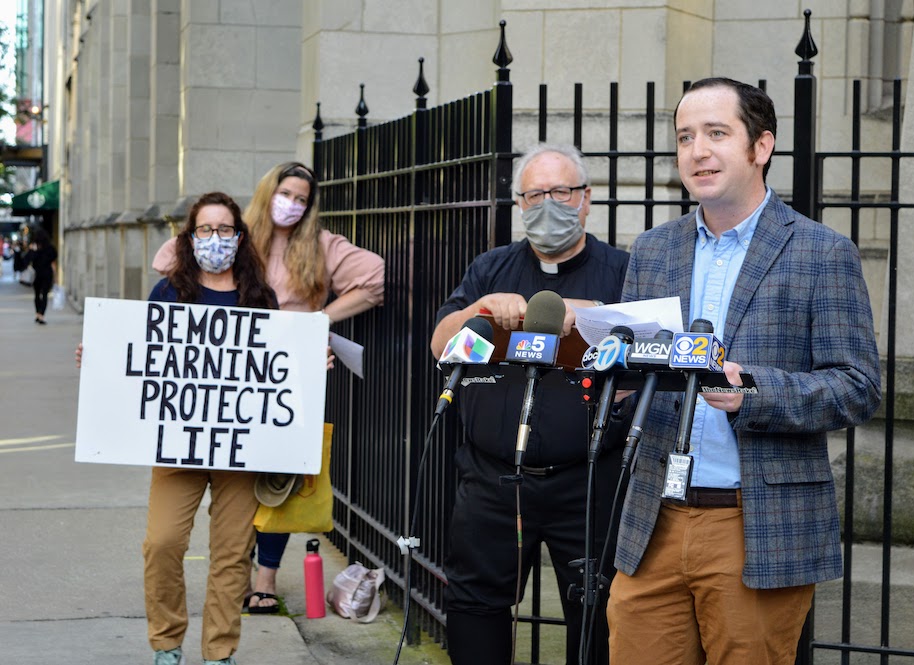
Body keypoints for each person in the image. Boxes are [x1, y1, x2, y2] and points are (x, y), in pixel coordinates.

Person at [605, 78, 882, 665]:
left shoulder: (820, 252)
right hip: (652, 519)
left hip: (754, 521)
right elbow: (638, 369)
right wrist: (618, 379)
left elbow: (857, 387)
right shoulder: (653, 249)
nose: (697, 151)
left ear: (761, 147)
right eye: (685, 137)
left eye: (716, 134)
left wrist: (751, 390)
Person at [153, 161, 385, 613]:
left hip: (286, 373)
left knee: (275, 479)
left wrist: (318, 321)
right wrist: (214, 237)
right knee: (229, 477)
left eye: (302, 199)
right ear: (267, 192)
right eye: (286, 194)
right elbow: (168, 260)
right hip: (221, 373)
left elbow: (374, 278)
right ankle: (235, 568)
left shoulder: (321, 245)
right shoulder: (237, 234)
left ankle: (266, 577)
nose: (292, 205)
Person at [430, 143, 630, 665]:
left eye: (561, 192)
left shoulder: (621, 270)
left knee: (600, 610)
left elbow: (647, 344)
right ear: (520, 204)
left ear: (586, 199)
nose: (549, 204)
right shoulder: (490, 268)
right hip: (492, 479)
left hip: (588, 480)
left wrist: (586, 315)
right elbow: (442, 346)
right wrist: (479, 311)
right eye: (535, 194)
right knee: (475, 604)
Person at [79, 192, 278, 665]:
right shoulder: (169, 292)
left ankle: (219, 652)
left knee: (232, 554)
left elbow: (274, 365)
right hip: (177, 444)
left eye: (224, 230)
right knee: (162, 543)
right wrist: (101, 359)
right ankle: (167, 645)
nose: (215, 239)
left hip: (237, 448)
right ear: (190, 238)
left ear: (240, 237)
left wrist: (309, 366)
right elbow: (143, 361)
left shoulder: (259, 297)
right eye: (205, 230)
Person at [24, 228, 57, 324]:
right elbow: (53, 262)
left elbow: (26, 260)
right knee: (45, 295)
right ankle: (41, 315)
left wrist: (31, 250)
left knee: (37, 295)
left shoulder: (34, 247)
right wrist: (55, 276)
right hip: (47, 274)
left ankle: (38, 314)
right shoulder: (50, 248)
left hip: (36, 275)